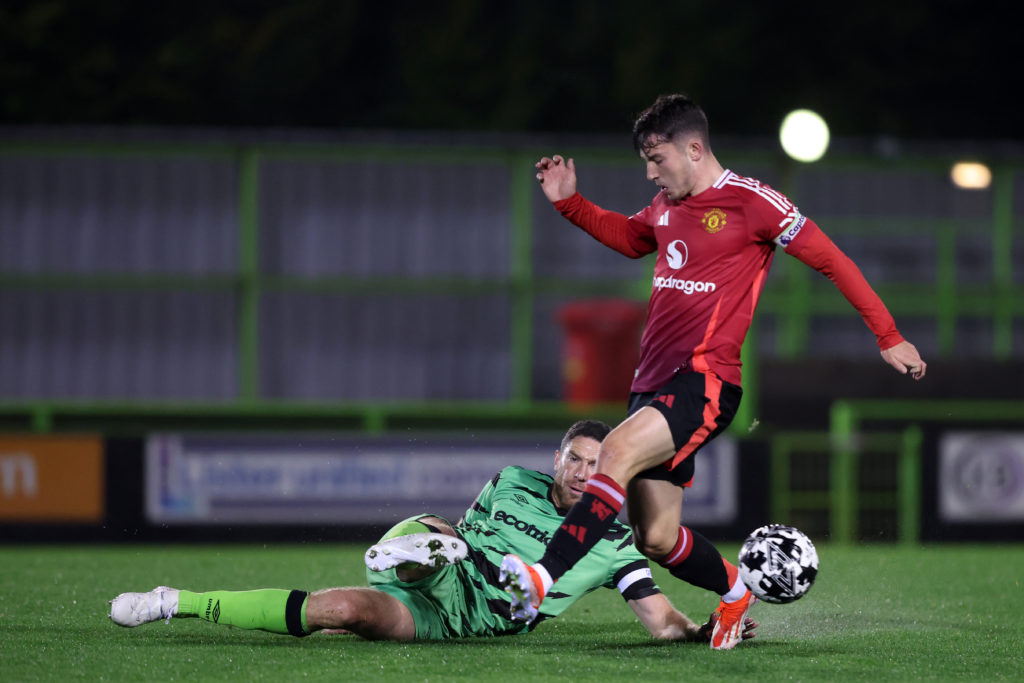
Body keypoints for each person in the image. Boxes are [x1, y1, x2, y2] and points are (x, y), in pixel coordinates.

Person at [499, 93, 928, 650]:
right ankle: (734, 592)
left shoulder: (755, 203)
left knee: (615, 454)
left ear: (695, 149)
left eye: (658, 160)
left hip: (705, 382)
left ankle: (542, 575)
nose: (651, 174)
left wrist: (888, 334)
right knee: (654, 537)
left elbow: (832, 259)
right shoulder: (664, 207)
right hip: (650, 386)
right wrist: (569, 203)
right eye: (646, 163)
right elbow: (630, 239)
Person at [109, 419, 756, 643]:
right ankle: (174, 604)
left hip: (457, 621)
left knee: (338, 609)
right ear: (556, 459)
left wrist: (701, 629)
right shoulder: (511, 478)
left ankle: (177, 596)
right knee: (442, 534)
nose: (586, 473)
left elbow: (659, 617)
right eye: (575, 459)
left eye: (598, 462)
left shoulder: (614, 543)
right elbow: (471, 524)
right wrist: (446, 544)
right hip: (447, 567)